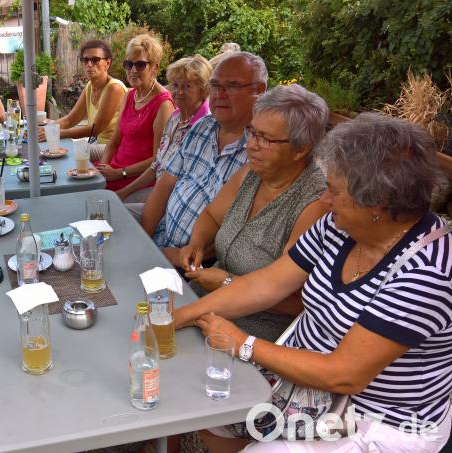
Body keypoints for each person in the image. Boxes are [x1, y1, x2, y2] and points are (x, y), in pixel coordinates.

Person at [176, 113, 452, 452]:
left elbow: (344, 375)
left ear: (376, 205)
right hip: (303, 382)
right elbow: (265, 285)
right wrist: (181, 315)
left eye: (334, 190)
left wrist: (243, 343)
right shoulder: (340, 226)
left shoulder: (427, 274)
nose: (323, 199)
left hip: (375, 417)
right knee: (206, 408)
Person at [179, 84, 329, 341]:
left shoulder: (315, 204)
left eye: (265, 139)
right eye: (251, 132)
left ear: (301, 148)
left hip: (248, 332)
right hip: (203, 304)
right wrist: (197, 244)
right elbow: (212, 216)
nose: (251, 145)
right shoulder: (253, 172)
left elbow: (297, 301)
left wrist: (227, 282)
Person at [141, 52, 267, 263]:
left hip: (196, 266)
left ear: (259, 91)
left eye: (232, 86)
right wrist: (143, 241)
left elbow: (234, 236)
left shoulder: (262, 150)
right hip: (161, 240)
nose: (219, 94)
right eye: (215, 86)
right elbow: (165, 185)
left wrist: (179, 258)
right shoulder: (203, 126)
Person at [117, 55, 212, 216]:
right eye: (175, 85)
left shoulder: (204, 127)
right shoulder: (175, 118)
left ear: (202, 91)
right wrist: (124, 192)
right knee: (115, 201)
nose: (179, 92)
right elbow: (156, 165)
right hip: (158, 189)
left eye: (187, 86)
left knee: (118, 212)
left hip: (177, 203)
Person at [96, 34, 175, 191]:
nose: (132, 70)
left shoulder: (163, 105)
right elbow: (115, 140)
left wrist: (120, 173)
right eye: (128, 64)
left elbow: (158, 159)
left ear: (155, 67)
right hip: (115, 168)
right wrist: (102, 170)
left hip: (136, 178)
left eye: (140, 64)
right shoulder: (130, 95)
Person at [37, 40, 127, 161]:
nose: (89, 64)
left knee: (67, 153)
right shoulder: (90, 86)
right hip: (97, 142)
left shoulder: (114, 88)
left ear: (107, 63)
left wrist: (58, 133)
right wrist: (47, 129)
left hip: (113, 147)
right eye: (85, 60)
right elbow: (70, 120)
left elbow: (95, 130)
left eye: (95, 60)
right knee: (51, 150)